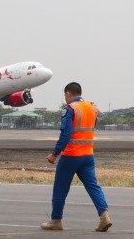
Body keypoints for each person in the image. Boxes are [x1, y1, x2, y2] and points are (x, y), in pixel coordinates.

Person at [42, 82, 112, 232]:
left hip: (71, 155)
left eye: (65, 95)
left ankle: (56, 221)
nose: (65, 98)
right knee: (93, 186)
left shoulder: (71, 109)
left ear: (68, 94)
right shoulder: (92, 108)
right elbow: (93, 125)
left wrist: (55, 154)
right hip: (88, 155)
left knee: (60, 188)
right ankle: (104, 216)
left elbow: (66, 134)